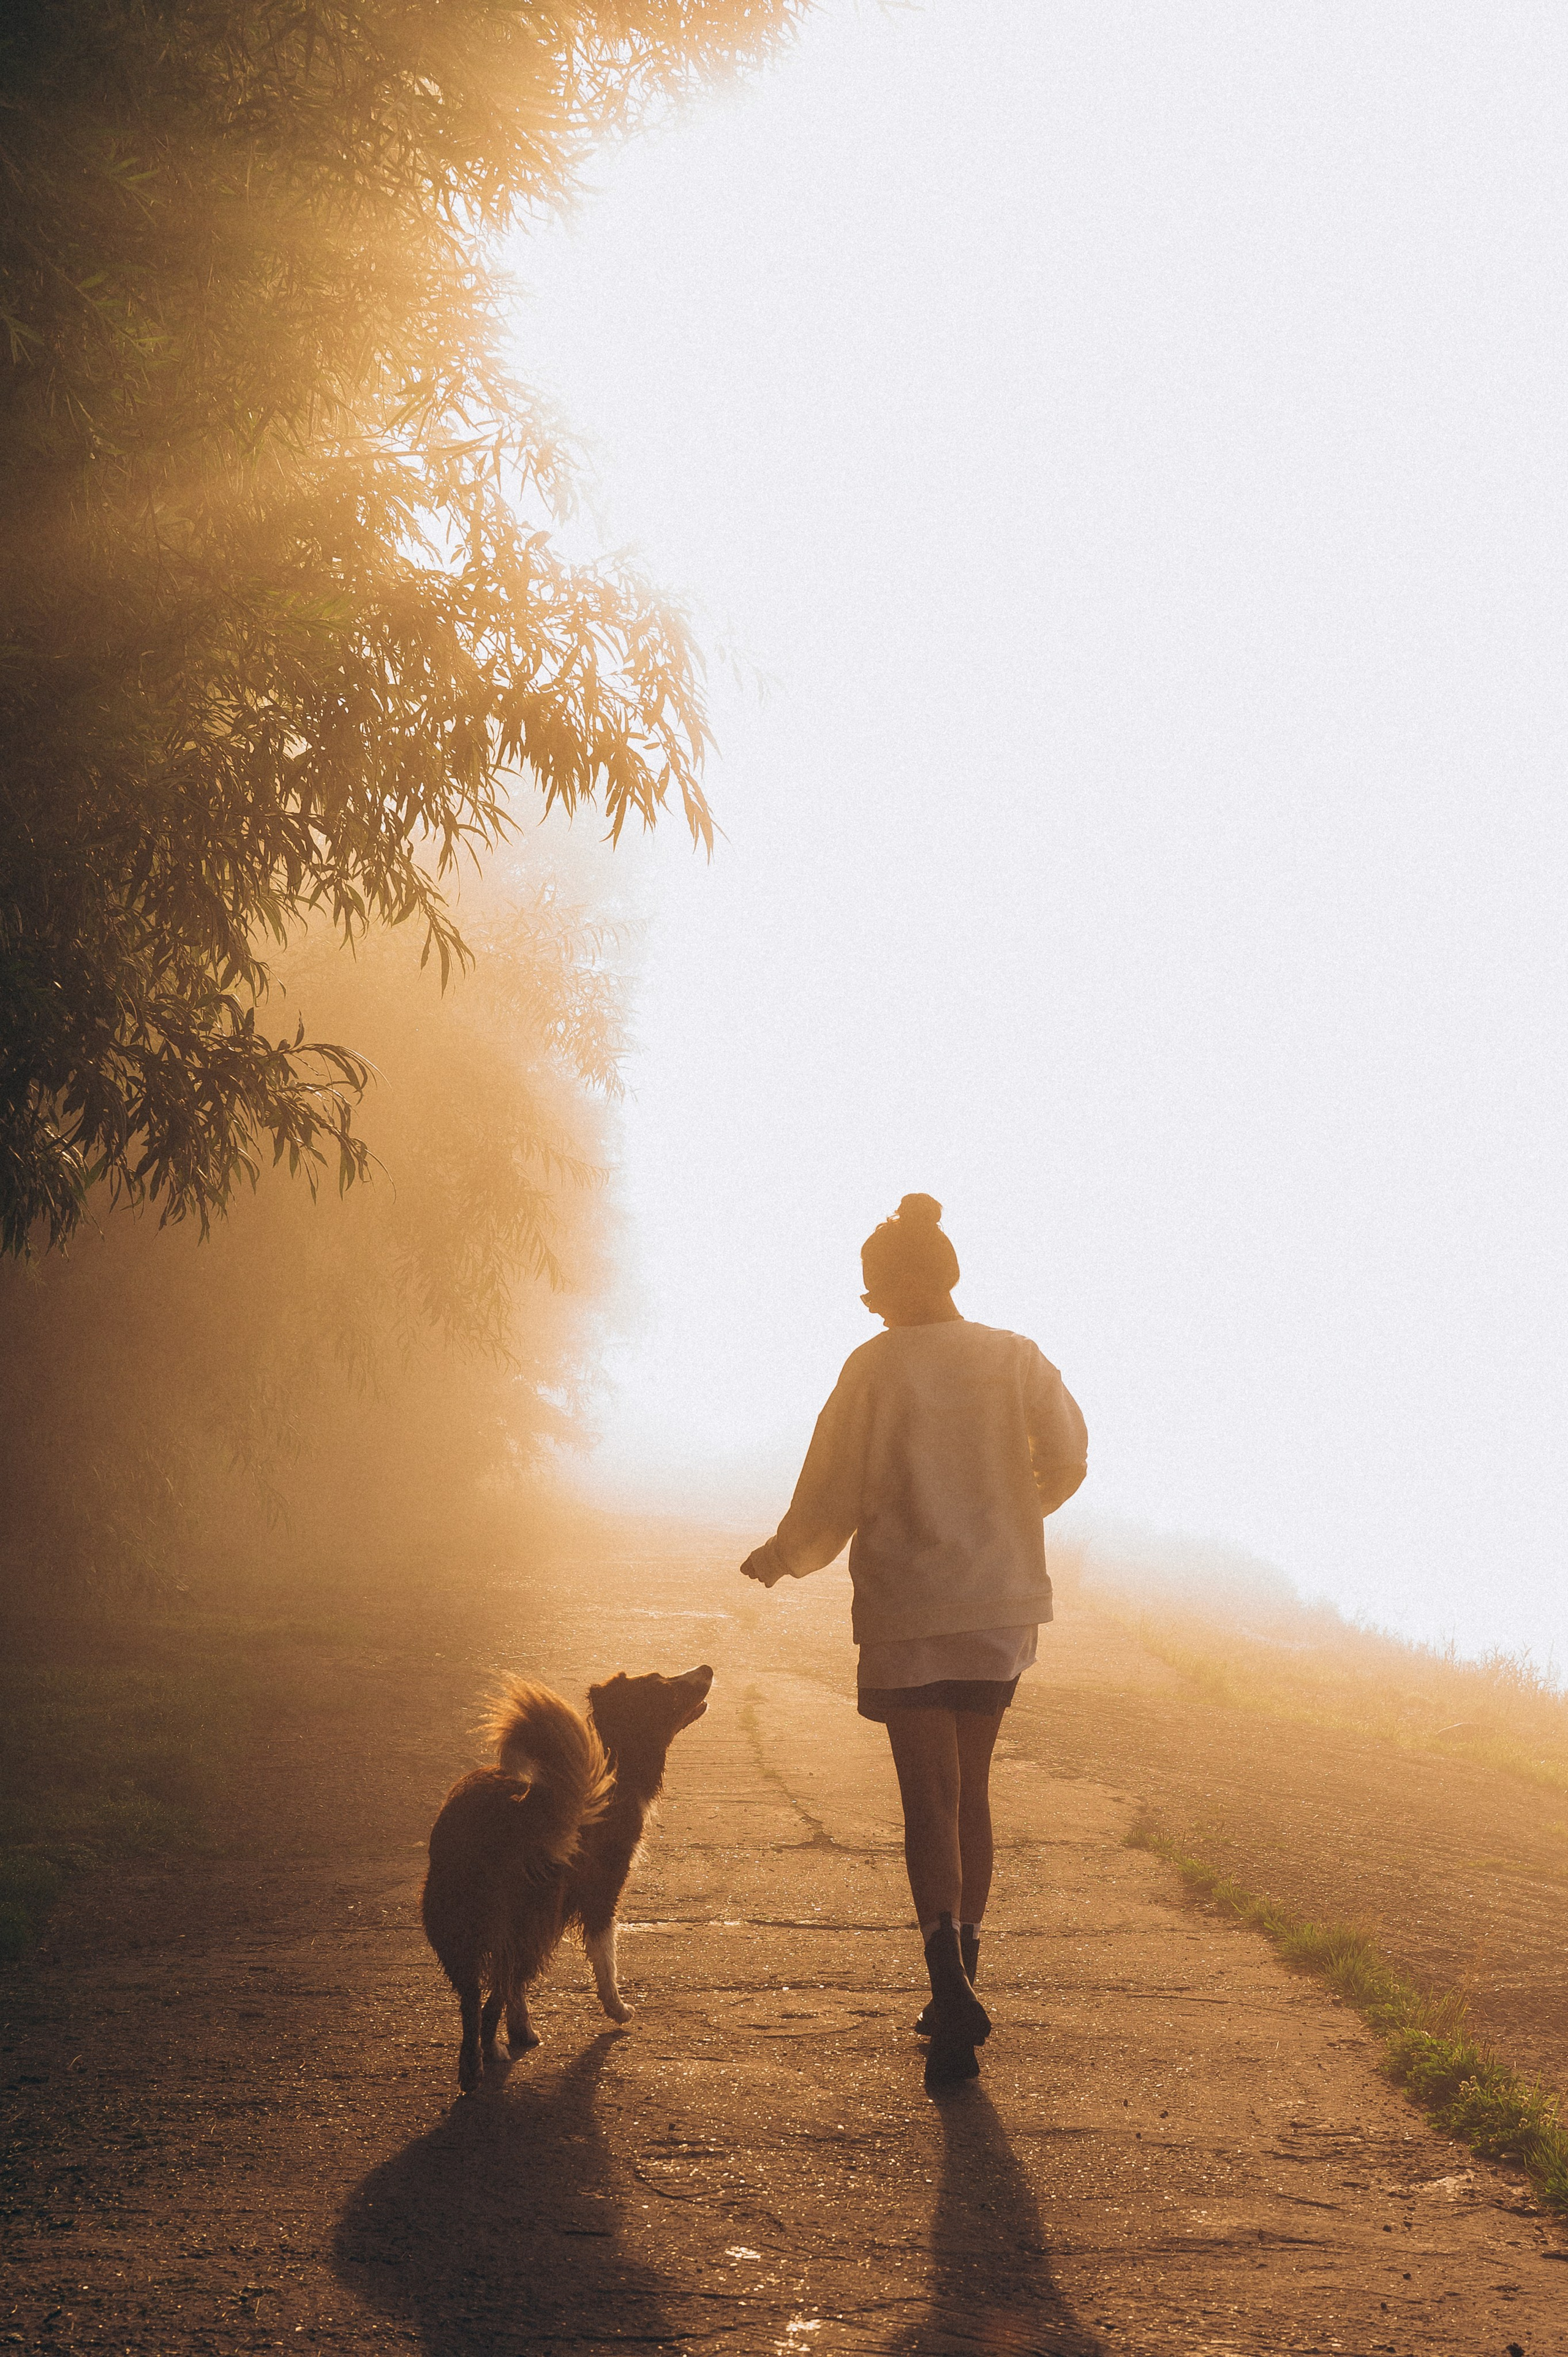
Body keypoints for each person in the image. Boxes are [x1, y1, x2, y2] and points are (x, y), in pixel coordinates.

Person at [740, 1192, 1087, 2089]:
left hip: (910, 1609)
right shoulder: (1015, 1358)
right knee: (970, 1792)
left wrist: (785, 1556)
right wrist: (1016, 1515)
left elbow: (833, 1488)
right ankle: (959, 1983)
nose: (872, 1307)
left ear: (892, 1286)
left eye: (871, 1292)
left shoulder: (874, 1370)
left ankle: (947, 1986)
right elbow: (1072, 1453)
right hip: (1001, 1604)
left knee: (925, 1800)